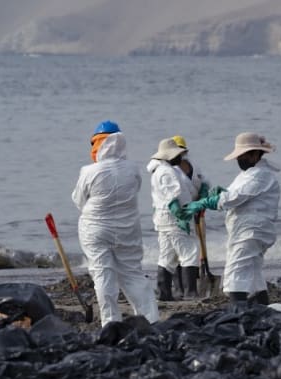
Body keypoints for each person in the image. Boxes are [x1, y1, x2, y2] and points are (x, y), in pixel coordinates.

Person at [72, 121, 158, 326]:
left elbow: (78, 201)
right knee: (133, 275)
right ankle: (151, 320)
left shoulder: (89, 171)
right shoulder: (133, 169)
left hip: (95, 230)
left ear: (98, 144)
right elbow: (134, 191)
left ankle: (110, 323)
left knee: (103, 274)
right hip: (127, 229)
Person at [184, 133, 280, 307]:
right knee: (254, 274)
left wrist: (206, 202)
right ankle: (265, 312)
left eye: (242, 156)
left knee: (235, 274)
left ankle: (239, 316)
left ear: (255, 154)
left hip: (250, 231)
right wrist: (222, 192)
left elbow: (233, 198)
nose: (240, 159)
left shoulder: (259, 174)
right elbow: (235, 193)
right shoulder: (250, 173)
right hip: (251, 231)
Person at [147, 138, 200, 301]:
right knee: (189, 253)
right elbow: (173, 195)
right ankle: (190, 293)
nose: (180, 157)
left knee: (167, 255)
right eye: (176, 154)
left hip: (162, 219)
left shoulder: (161, 170)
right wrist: (180, 214)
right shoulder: (167, 172)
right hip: (174, 218)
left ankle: (164, 293)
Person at [171, 135, 209, 297]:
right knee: (176, 252)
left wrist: (203, 196)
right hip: (176, 215)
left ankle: (192, 286)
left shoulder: (194, 166)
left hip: (196, 212)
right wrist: (180, 213)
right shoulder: (169, 171)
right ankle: (180, 288)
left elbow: (205, 182)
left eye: (181, 150)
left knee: (196, 249)